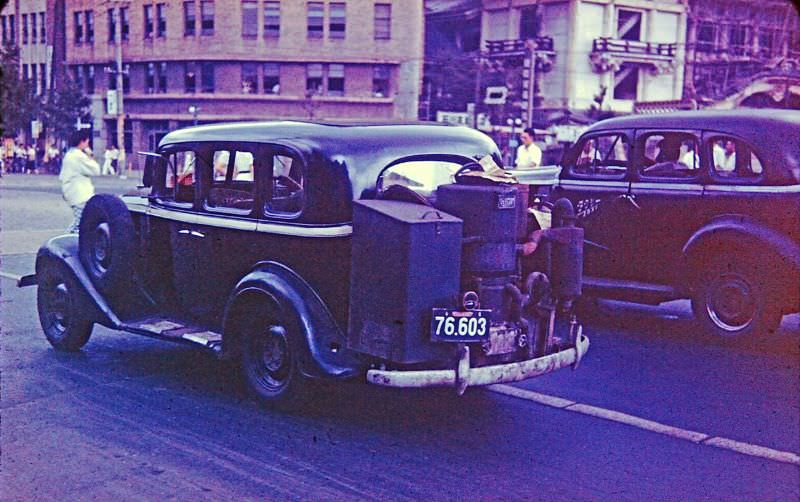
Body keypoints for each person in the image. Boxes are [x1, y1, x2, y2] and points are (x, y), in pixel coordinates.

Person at [60, 129, 101, 233]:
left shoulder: (70, 154)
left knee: (79, 220)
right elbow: (96, 169)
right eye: (87, 142)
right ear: (82, 142)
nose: (87, 145)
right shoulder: (79, 156)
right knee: (80, 222)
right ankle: (66, 241)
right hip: (80, 194)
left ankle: (67, 239)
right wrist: (90, 155)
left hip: (73, 192)